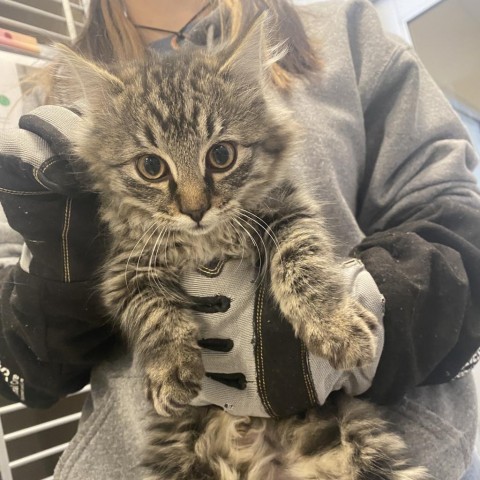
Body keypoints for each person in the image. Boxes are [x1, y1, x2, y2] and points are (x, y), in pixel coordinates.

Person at [0, 0, 479, 478]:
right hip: (182, 443)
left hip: (339, 422)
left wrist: (383, 312)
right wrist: (50, 282)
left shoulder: (344, 24)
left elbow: (453, 212)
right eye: (152, 167)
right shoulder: (59, 87)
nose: (194, 202)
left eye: (221, 156)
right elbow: (25, 360)